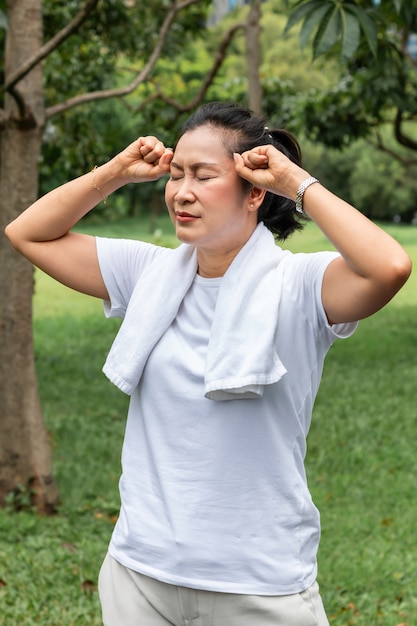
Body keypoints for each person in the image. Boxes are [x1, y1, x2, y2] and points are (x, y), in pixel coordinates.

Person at [5, 101, 411, 626]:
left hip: (258, 586)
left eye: (203, 175)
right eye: (176, 175)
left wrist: (298, 182)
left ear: (255, 191)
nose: (181, 191)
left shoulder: (300, 286)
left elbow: (390, 266)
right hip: (141, 574)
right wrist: (115, 174)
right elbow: (27, 232)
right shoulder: (147, 274)